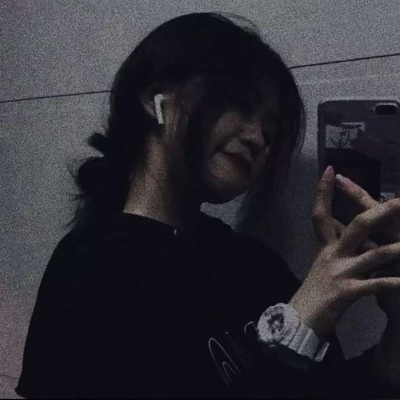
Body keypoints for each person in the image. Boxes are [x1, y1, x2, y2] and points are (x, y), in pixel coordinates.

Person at [15, 12, 400, 399]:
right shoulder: (91, 266)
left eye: (270, 131)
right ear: (155, 99)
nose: (258, 139)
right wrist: (298, 327)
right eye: (240, 104)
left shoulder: (256, 265)